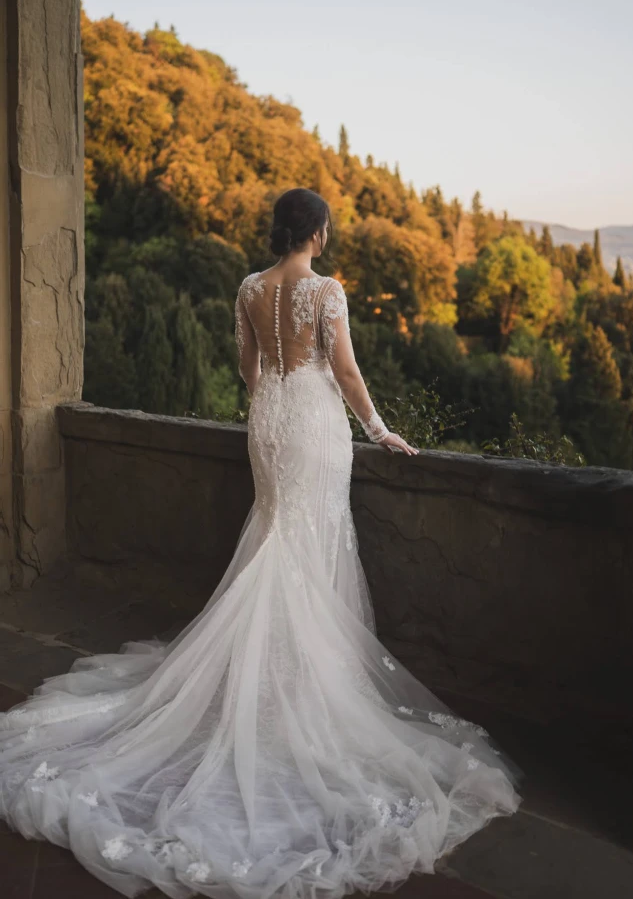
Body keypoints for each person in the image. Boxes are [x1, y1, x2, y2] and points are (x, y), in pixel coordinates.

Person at [0, 188, 522, 898]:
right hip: (312, 424)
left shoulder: (249, 286)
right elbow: (342, 371)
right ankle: (299, 688)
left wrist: (272, 400)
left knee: (277, 537)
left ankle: (265, 678)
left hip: (269, 424)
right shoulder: (325, 289)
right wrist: (378, 431)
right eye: (327, 225)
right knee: (309, 547)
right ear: (316, 231)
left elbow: (249, 369)